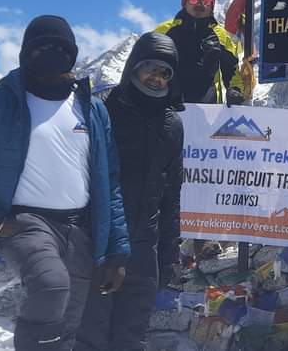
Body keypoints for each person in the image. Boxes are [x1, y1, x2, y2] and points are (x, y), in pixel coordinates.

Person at [0, 15, 129, 351]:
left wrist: (117, 253)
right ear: (25, 55)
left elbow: (110, 183)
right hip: (25, 222)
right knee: (51, 287)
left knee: (69, 318)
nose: (51, 54)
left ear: (73, 54)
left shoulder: (92, 109)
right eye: (41, 48)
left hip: (80, 225)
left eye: (60, 48)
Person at [74, 32, 184, 351]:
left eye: (166, 72)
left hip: (144, 247)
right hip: (98, 241)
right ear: (134, 66)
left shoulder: (172, 124)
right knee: (90, 335)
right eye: (151, 67)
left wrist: (168, 255)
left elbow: (171, 194)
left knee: (132, 336)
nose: (157, 77)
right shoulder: (103, 110)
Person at [153, 0, 246, 105]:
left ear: (212, 6)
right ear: (184, 2)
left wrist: (235, 89)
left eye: (206, 0)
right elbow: (145, 65)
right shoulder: (164, 31)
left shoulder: (221, 36)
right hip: (167, 109)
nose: (200, 4)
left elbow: (232, 70)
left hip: (208, 113)